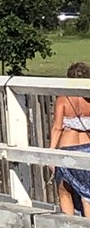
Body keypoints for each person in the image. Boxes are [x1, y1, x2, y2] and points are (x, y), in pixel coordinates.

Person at [49, 61, 90, 217]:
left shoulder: (64, 99)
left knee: (64, 190)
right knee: (87, 194)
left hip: (67, 148)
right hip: (87, 147)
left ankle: (69, 226)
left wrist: (51, 153)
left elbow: (57, 127)